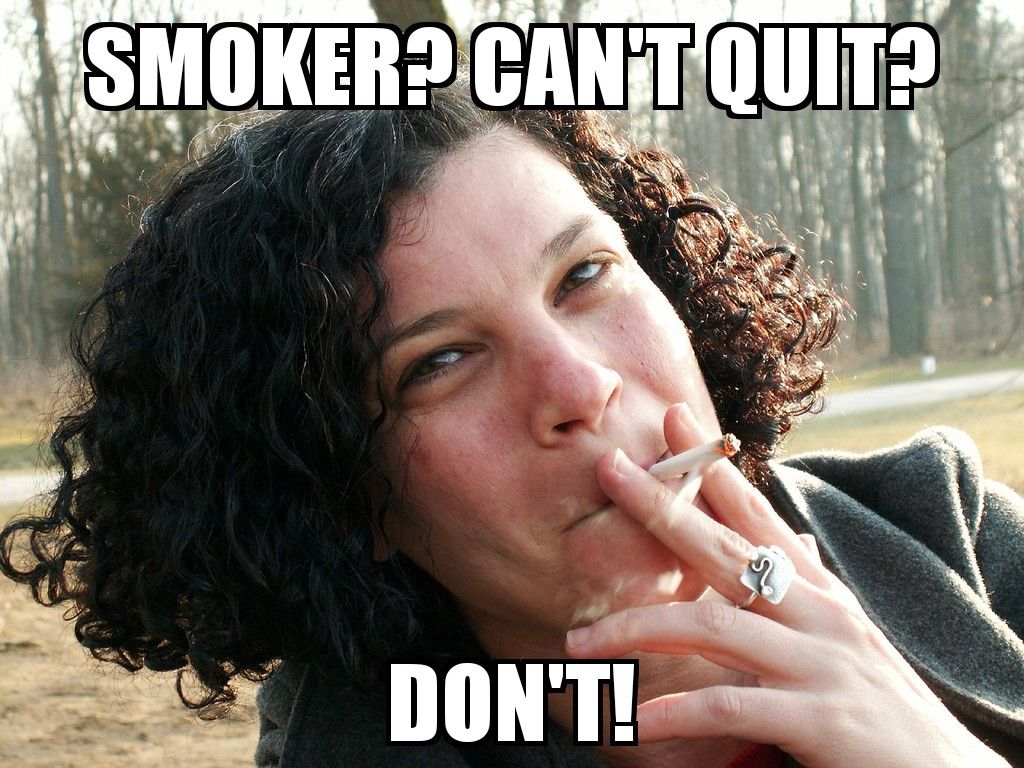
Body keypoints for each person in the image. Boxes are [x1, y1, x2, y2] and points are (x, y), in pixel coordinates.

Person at [1, 79, 1022, 768]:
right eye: (439, 362)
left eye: (584, 275)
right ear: (345, 495)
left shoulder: (944, 524)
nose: (579, 386)